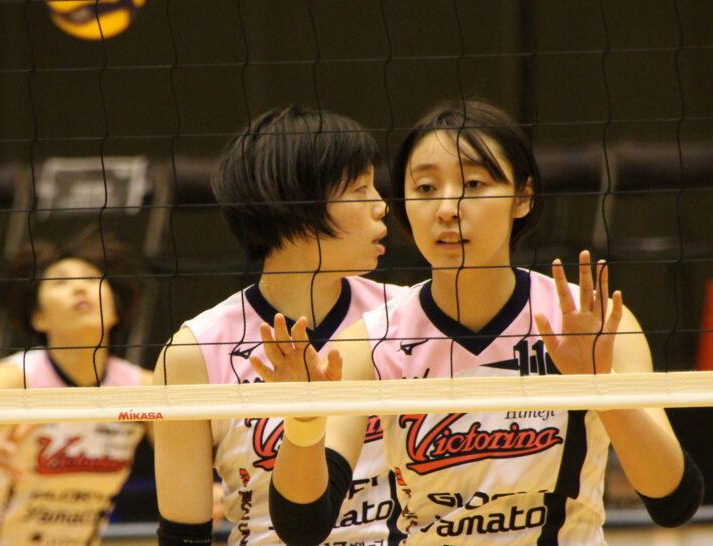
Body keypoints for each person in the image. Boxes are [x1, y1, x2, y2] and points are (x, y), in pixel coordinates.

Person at [253, 99, 705, 544]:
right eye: (426, 188)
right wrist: (303, 421)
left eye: (473, 183)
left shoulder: (596, 323)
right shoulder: (370, 341)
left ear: (522, 197)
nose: (447, 207)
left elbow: (673, 502)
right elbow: (303, 527)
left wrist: (600, 386)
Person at [153, 105, 408, 545]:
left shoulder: (405, 317)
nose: (381, 206)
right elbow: (183, 538)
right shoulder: (194, 353)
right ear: (299, 204)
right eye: (360, 189)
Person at [0, 232, 153, 546]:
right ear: (39, 317)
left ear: (115, 310)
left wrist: (209, 490)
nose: (80, 287)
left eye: (91, 279)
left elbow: (185, 457)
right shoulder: (17, 376)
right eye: (61, 282)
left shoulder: (141, 387)